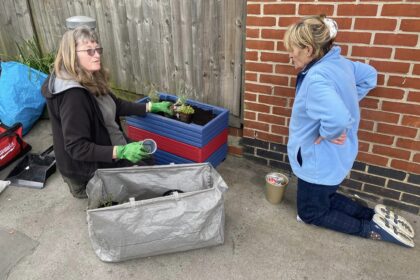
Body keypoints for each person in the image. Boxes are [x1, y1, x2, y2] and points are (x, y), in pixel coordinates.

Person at [284, 15, 415, 248]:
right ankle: (371, 215)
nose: (290, 55)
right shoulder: (341, 64)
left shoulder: (316, 77)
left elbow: (336, 118)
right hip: (336, 157)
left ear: (309, 49)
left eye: (293, 50)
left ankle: (370, 229)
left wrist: (329, 132)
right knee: (326, 196)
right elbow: (370, 75)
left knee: (310, 213)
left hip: (317, 160)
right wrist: (349, 100)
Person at [42, 26, 173, 199]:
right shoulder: (73, 96)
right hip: (85, 170)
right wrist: (121, 152)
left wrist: (149, 107)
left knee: (147, 159)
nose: (97, 55)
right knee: (145, 186)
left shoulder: (89, 76)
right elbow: (76, 147)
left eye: (97, 49)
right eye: (89, 51)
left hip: (108, 142)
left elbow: (115, 105)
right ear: (72, 55)